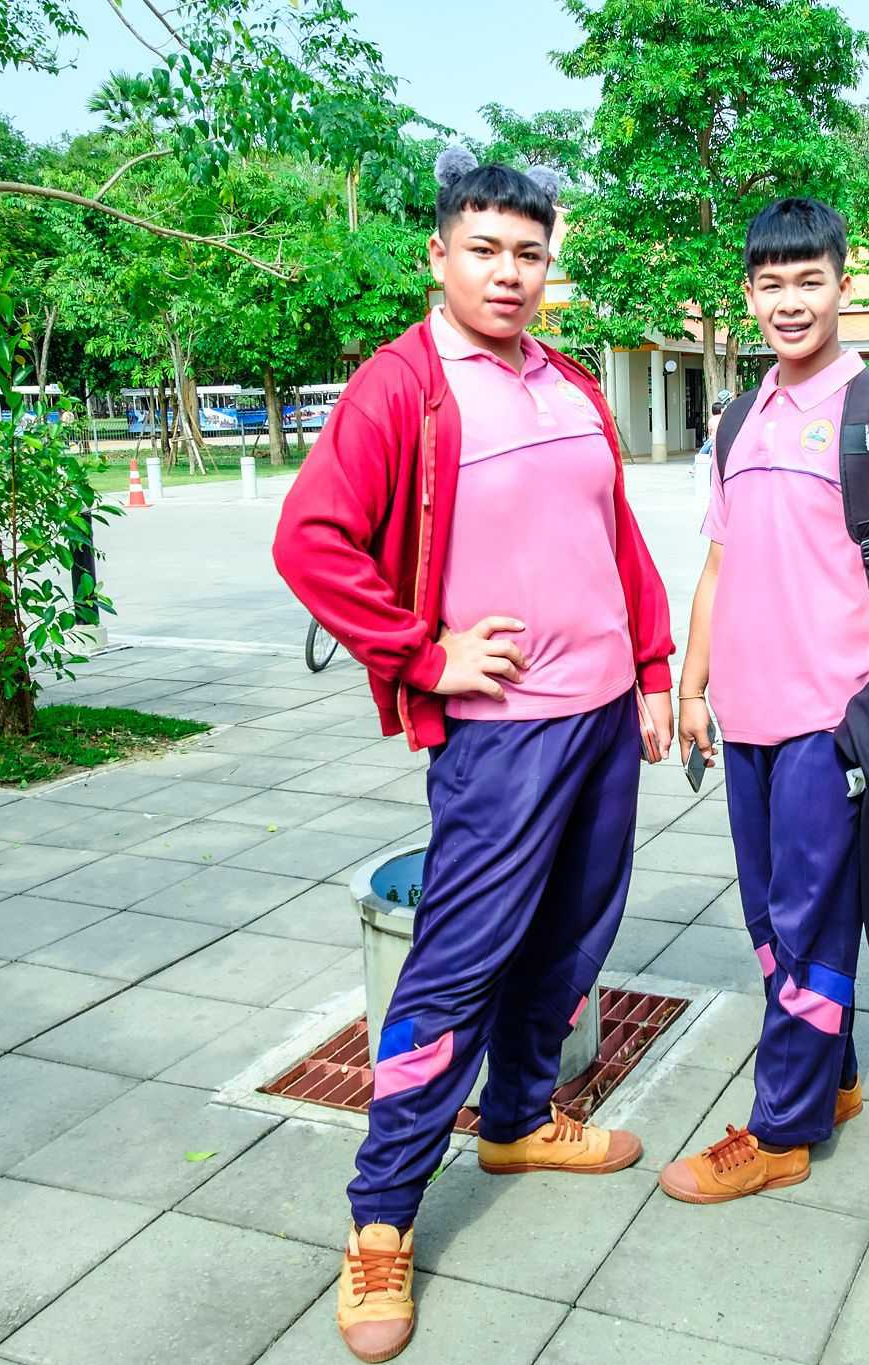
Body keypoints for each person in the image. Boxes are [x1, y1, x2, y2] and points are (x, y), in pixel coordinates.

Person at [273, 150, 676, 1363]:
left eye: (528, 254)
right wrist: (420, 653)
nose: (508, 273)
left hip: (603, 719)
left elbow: (614, 536)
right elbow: (311, 541)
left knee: (571, 941)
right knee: (453, 971)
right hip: (501, 738)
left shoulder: (569, 381)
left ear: (549, 266)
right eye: (485, 250)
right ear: (438, 256)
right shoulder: (401, 386)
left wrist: (653, 668)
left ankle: (515, 1120)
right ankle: (381, 1220)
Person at [662, 197, 869, 1204]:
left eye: (808, 281)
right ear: (747, 293)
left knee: (809, 922)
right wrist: (693, 685)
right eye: (770, 284)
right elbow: (717, 565)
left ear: (841, 284)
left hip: (832, 719)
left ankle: (779, 1127)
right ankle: (836, 1077)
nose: (789, 302)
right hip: (746, 717)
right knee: (770, 921)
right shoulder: (738, 417)